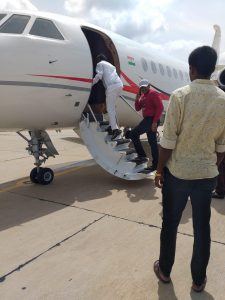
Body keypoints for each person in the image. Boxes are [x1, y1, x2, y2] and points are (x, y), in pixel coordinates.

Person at [154, 46, 225, 292]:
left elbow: (168, 141)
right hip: (206, 176)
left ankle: (164, 270)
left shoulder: (180, 95)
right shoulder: (224, 100)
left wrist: (160, 169)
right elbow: (222, 146)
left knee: (170, 223)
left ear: (192, 69)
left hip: (178, 174)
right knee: (202, 228)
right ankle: (198, 280)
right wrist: (211, 167)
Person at [129, 79, 163, 171]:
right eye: (141, 87)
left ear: (149, 86)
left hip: (151, 119)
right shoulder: (143, 96)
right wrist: (137, 99)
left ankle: (142, 156)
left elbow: (160, 107)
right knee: (152, 143)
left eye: (144, 87)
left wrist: (155, 122)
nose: (143, 89)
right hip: (147, 119)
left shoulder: (153, 94)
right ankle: (156, 165)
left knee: (133, 134)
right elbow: (137, 108)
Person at [92, 54, 123, 140]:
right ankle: (111, 126)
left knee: (110, 109)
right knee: (112, 108)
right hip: (119, 85)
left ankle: (115, 129)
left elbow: (99, 75)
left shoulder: (100, 64)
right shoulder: (111, 66)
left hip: (111, 87)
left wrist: (91, 83)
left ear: (99, 59)